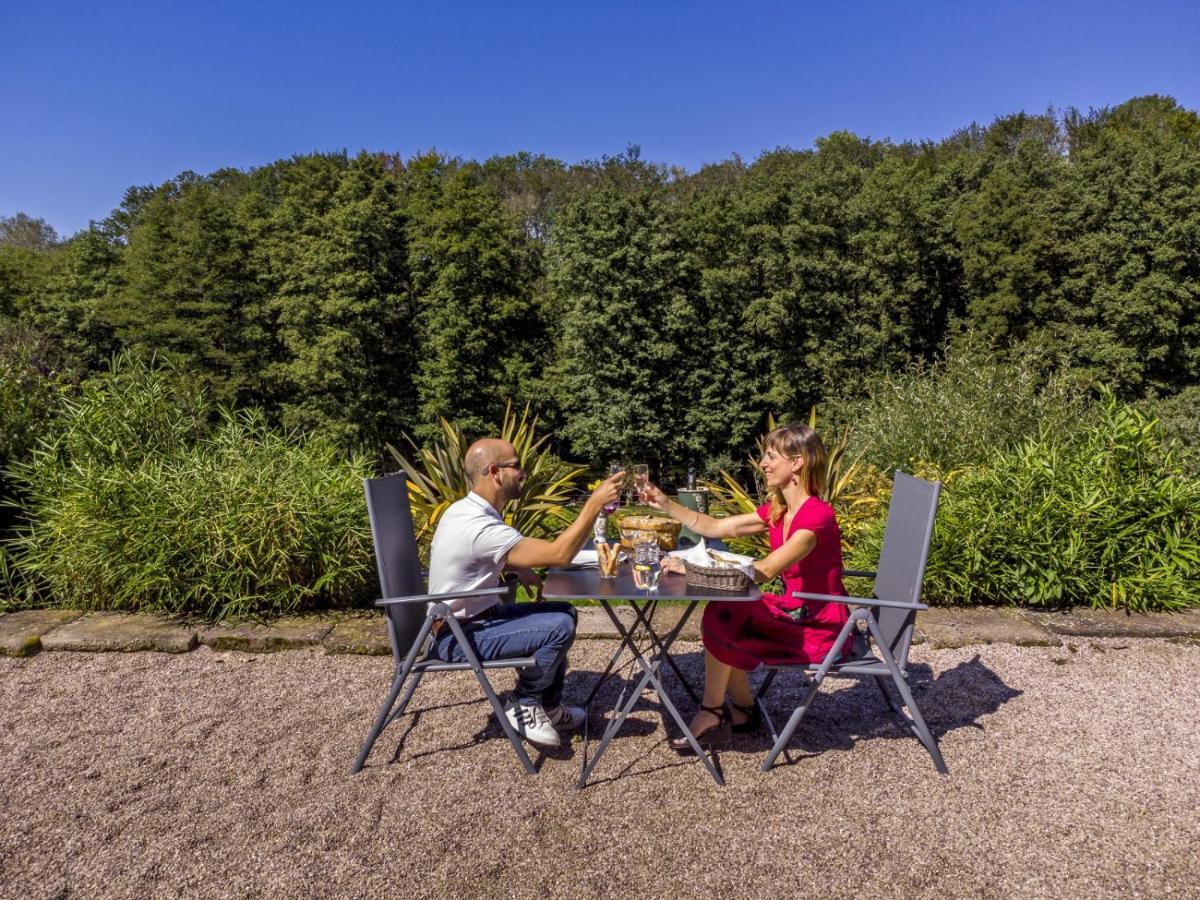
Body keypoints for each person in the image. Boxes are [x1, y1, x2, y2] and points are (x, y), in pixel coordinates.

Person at [639, 423, 848, 750]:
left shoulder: (816, 516)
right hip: (795, 611)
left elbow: (764, 570)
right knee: (726, 611)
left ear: (797, 462)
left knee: (726, 612)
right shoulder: (780, 510)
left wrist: (693, 568)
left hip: (818, 626)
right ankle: (740, 708)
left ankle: (714, 711)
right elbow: (715, 526)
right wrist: (666, 503)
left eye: (770, 456)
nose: (763, 464)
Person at [426, 438, 624, 748]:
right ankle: (524, 701)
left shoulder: (466, 510)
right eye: (517, 466)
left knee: (563, 612)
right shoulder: (480, 527)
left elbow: (474, 558)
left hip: (469, 620)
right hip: (456, 636)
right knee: (558, 627)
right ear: (495, 472)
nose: (523, 473)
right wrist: (593, 504)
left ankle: (548, 706)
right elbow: (559, 554)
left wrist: (517, 567)